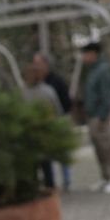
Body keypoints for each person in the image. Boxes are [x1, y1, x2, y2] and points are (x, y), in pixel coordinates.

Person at [79, 40, 110, 193]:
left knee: (106, 146)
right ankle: (105, 177)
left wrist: (102, 116)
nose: (84, 58)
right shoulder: (93, 70)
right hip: (93, 114)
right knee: (99, 148)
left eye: (86, 54)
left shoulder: (103, 70)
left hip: (100, 115)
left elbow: (106, 95)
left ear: (93, 54)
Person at [24, 52, 66, 190]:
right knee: (33, 166)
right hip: (30, 135)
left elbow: (58, 110)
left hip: (45, 133)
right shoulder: (23, 93)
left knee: (47, 163)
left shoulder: (48, 91)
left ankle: (54, 186)